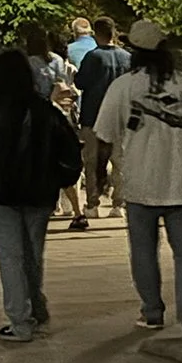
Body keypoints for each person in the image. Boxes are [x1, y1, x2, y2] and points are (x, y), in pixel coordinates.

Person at [95, 19, 182, 337]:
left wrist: (98, 179)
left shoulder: (123, 87)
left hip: (140, 186)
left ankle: (153, 312)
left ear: (134, 52)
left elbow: (103, 138)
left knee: (143, 251)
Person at [0, 48, 82, 342]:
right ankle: (36, 309)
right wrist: (58, 178)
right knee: (32, 254)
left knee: (10, 255)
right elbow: (68, 149)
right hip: (39, 193)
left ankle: (20, 319)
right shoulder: (44, 111)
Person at [24, 28, 88, 231]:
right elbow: (63, 85)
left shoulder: (27, 63)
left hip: (35, 118)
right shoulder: (57, 61)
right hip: (60, 116)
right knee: (63, 164)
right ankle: (78, 211)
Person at [75, 16, 130, 218]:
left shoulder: (93, 57)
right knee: (120, 161)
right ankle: (119, 204)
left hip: (94, 115)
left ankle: (92, 204)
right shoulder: (126, 57)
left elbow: (80, 82)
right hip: (120, 117)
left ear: (96, 34)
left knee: (91, 162)